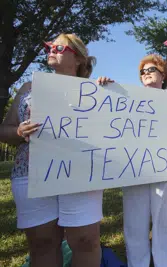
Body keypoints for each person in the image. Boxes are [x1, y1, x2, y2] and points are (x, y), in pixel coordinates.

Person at [0, 33, 103, 267]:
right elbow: (4, 129)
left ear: (78, 58)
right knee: (43, 243)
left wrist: (109, 91)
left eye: (58, 47)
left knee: (86, 241)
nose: (51, 50)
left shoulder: (96, 91)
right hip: (31, 173)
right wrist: (18, 132)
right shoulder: (29, 87)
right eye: (49, 47)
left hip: (81, 173)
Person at [119, 54, 167, 267]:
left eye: (151, 70)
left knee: (163, 221)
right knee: (134, 221)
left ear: (163, 75)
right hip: (134, 168)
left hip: (163, 169)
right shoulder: (127, 98)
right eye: (143, 71)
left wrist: (161, 160)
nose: (146, 73)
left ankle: (164, 262)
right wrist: (106, 87)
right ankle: (137, 263)